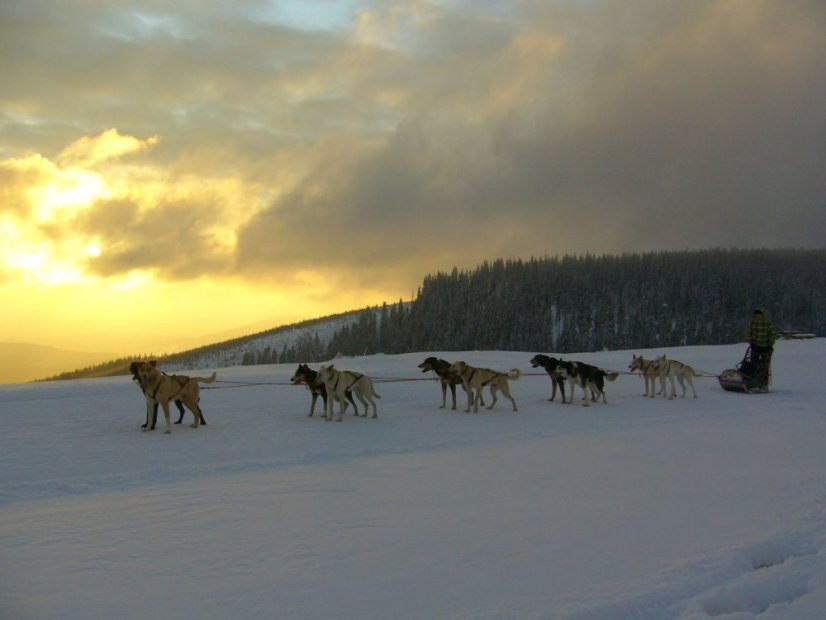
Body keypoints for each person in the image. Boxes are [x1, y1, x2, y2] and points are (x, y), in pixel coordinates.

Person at [745, 308, 778, 391]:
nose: (758, 316)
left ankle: (763, 384)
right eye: (756, 314)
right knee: (753, 364)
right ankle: (752, 382)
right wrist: (750, 341)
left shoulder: (768, 323)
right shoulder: (752, 323)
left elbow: (773, 334)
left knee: (764, 366)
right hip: (755, 346)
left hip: (766, 347)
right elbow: (748, 333)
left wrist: (770, 343)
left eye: (759, 314)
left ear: (763, 315)